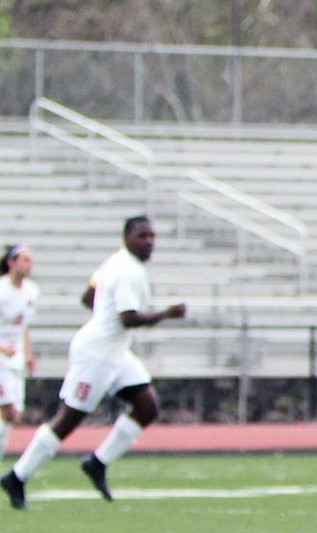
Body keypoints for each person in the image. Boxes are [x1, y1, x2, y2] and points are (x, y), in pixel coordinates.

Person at [1, 217, 187, 510]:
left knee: (147, 407)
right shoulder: (125, 268)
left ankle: (97, 463)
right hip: (97, 354)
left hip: (116, 351)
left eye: (152, 236)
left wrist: (104, 312)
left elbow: (89, 296)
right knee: (68, 420)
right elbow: (129, 318)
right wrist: (168, 313)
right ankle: (17, 476)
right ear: (127, 237)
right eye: (142, 236)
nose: (149, 241)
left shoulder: (115, 262)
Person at [0, 244, 40, 460]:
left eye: (30, 260)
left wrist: (29, 354)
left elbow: (24, 326)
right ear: (11, 263)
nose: (29, 265)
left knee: (13, 417)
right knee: (9, 413)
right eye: (24, 260)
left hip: (16, 361)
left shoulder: (32, 291)